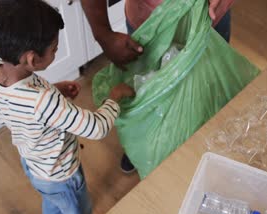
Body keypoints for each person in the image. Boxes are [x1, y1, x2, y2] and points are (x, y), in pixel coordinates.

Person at [0, 0, 136, 214]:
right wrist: (115, 97)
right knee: (78, 209)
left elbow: (17, 107)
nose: (57, 51)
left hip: (33, 163)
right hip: (61, 172)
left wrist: (53, 89)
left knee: (52, 201)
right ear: (32, 59)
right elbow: (95, 127)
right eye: (54, 48)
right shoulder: (43, 102)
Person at [81, 0, 235, 173]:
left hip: (210, 17)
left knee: (208, 91)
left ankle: (200, 148)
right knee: (145, 94)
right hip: (149, 24)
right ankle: (144, 144)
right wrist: (103, 34)